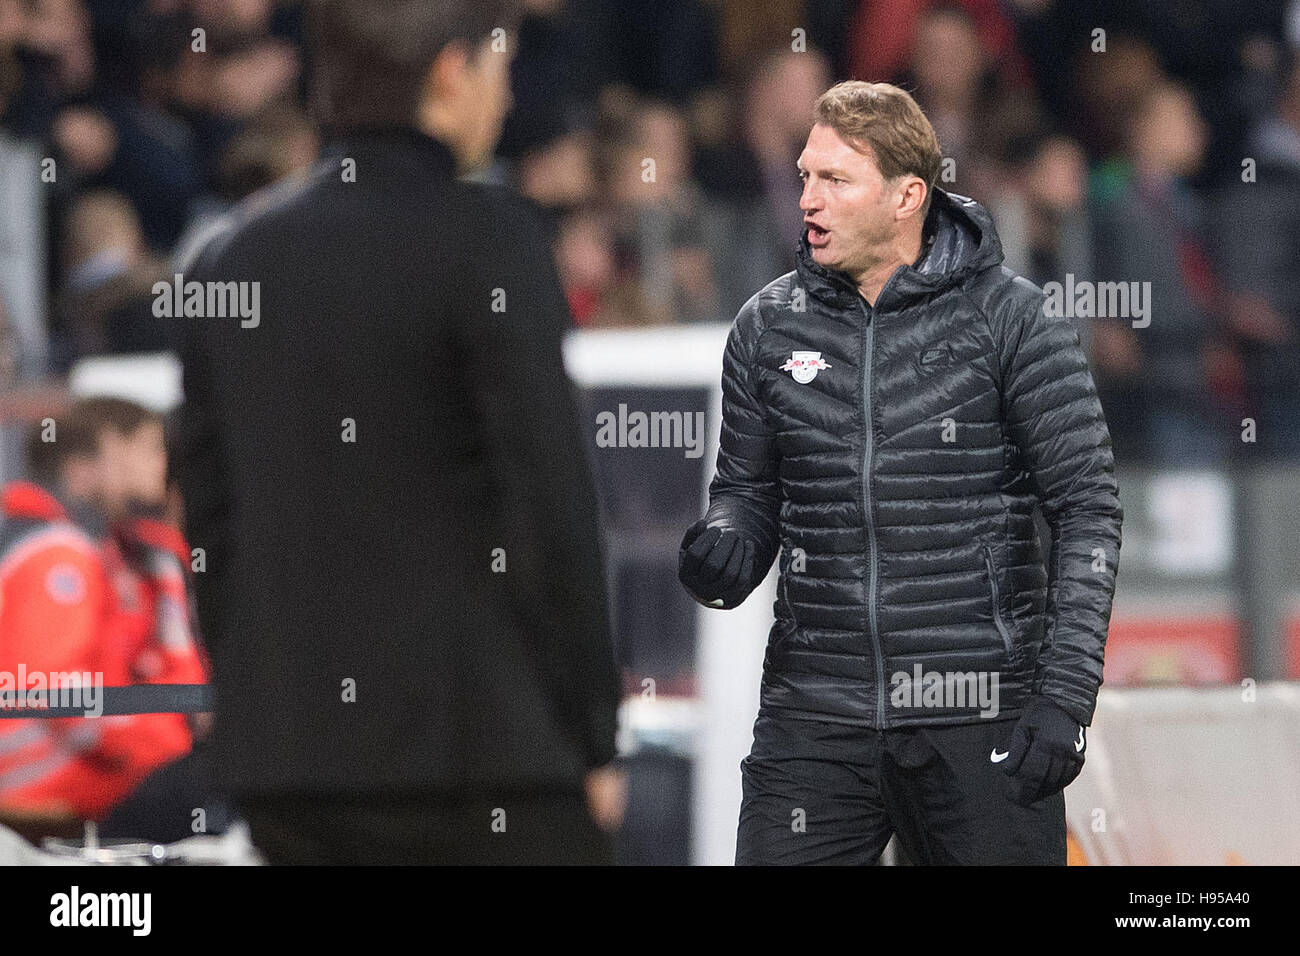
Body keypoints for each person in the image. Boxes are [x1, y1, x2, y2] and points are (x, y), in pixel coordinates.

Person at [176, 0, 622, 864]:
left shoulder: (230, 261)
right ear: (450, 74)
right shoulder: (489, 238)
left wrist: (255, 703)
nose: (503, 96)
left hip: (291, 773)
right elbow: (551, 502)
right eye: (499, 67)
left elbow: (211, 530)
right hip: (480, 763)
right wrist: (595, 732)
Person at [679, 81, 1122, 865]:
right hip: (816, 713)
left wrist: (1064, 696)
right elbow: (746, 497)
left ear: (907, 195)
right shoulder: (765, 326)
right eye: (806, 174)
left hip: (978, 709)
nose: (808, 198)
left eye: (835, 180)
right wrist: (721, 547)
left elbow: (1088, 507)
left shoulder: (1013, 322)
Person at [0, 400, 203, 839]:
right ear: (92, 462)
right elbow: (51, 692)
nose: (161, 464)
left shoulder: (102, 549)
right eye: (148, 447)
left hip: (77, 774)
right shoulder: (57, 554)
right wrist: (173, 741)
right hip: (45, 785)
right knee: (217, 794)